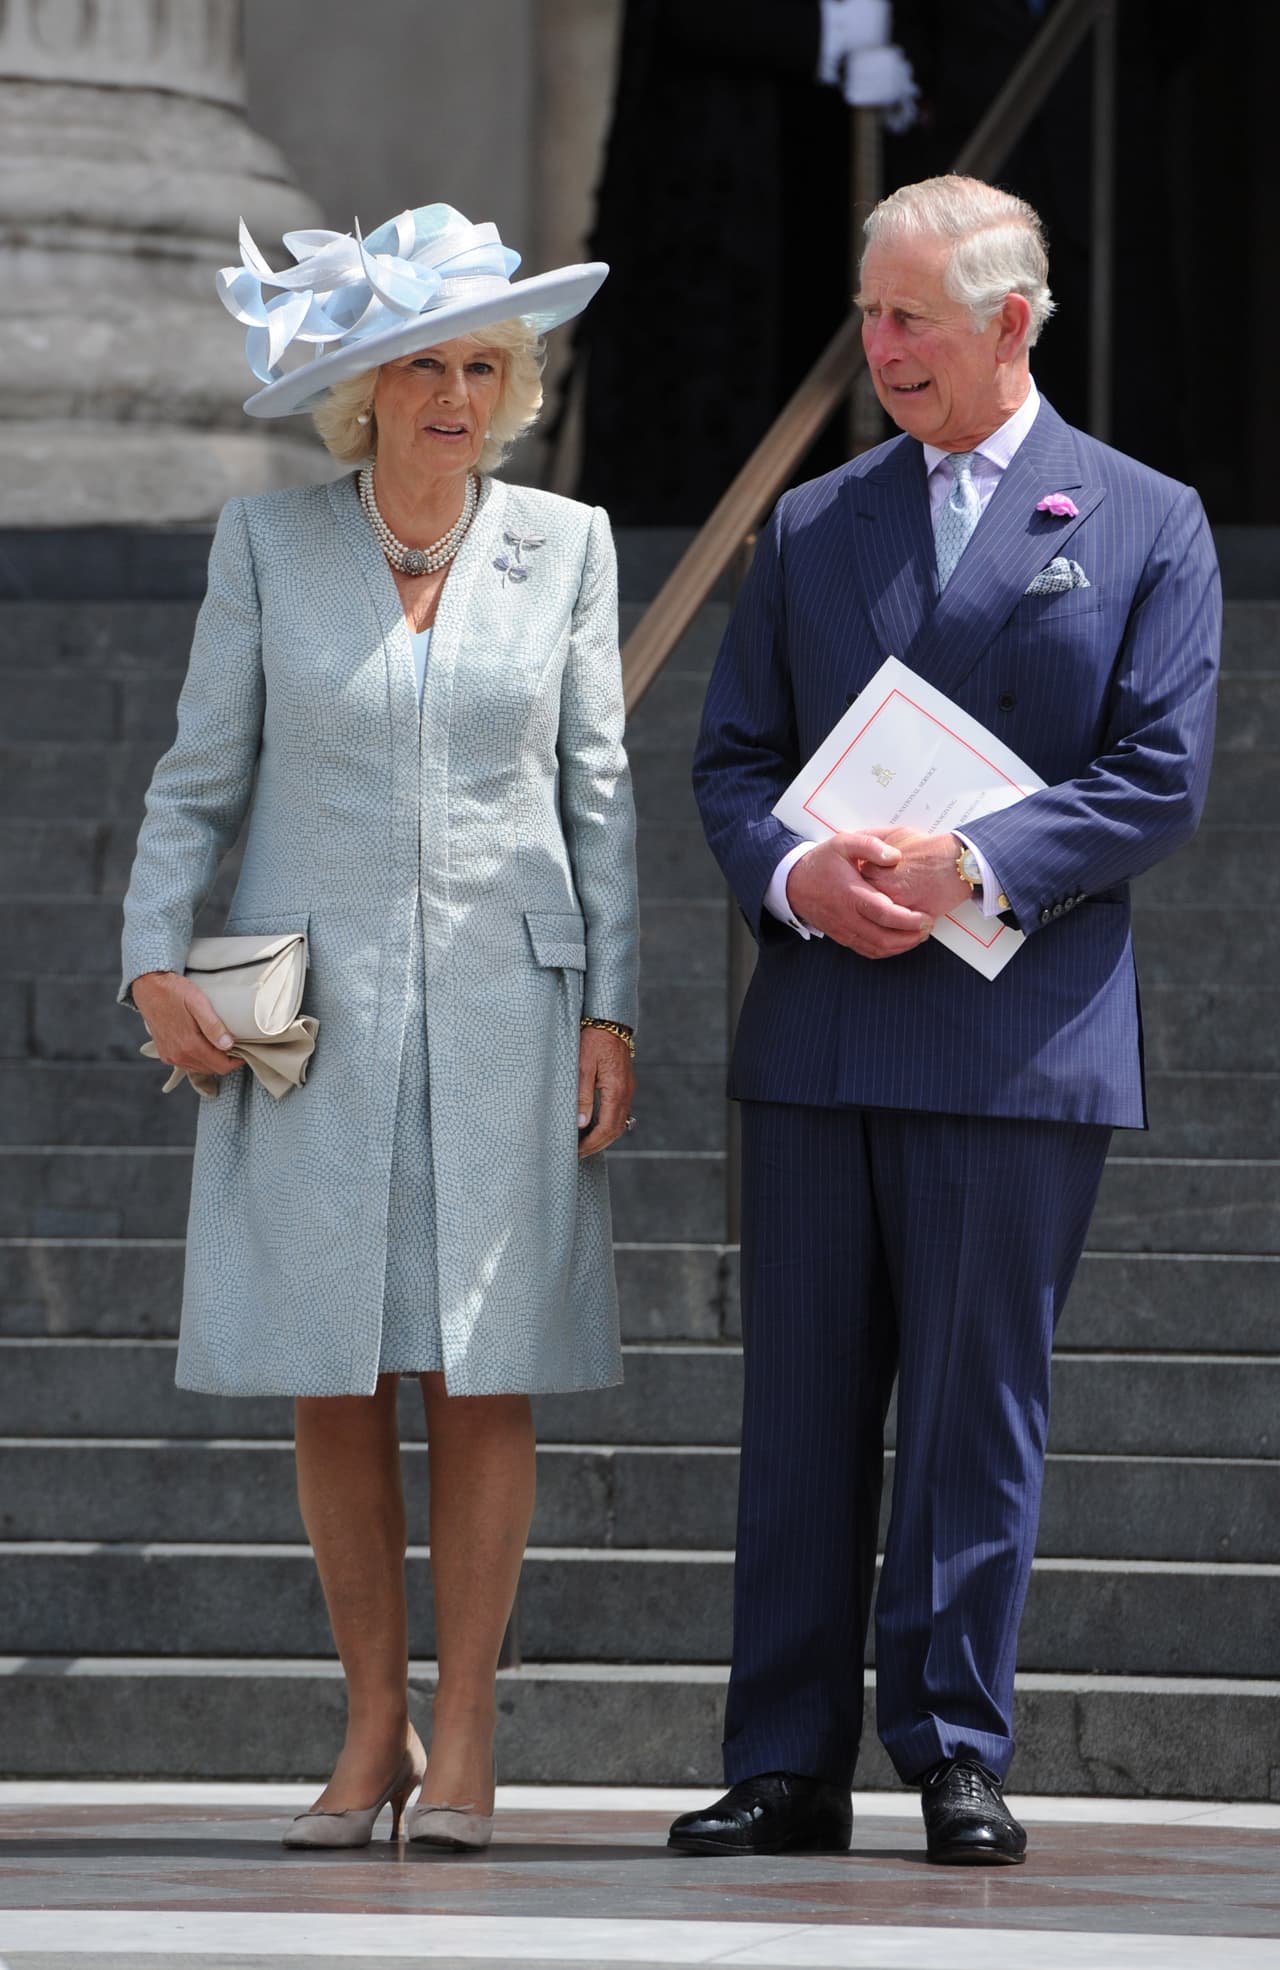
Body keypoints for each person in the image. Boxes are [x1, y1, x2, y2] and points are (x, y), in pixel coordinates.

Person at [675, 174, 1219, 1864]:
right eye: (869, 310)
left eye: (911, 315)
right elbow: (731, 765)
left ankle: (955, 1744)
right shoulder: (816, 521)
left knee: (977, 1412)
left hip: (1018, 1032)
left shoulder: (1143, 519)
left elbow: (1159, 773)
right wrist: (794, 877)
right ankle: (783, 1760)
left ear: (1012, 322)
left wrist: (969, 855)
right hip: (826, 1021)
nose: (879, 344)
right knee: (803, 1412)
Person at [120, 203, 639, 1851]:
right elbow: (199, 777)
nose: (458, 395)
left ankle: (470, 1731)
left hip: (512, 1001)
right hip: (311, 1022)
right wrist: (154, 964)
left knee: (484, 1372)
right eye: (426, 363)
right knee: (330, 1374)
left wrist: (612, 1005)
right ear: (362, 392)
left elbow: (598, 796)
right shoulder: (266, 546)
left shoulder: (566, 544)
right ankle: (373, 1728)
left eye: (486, 365)